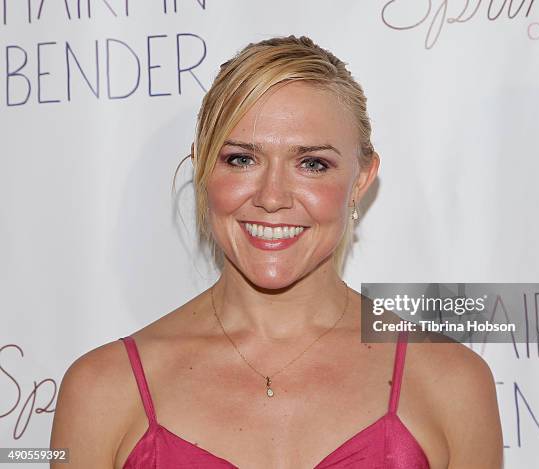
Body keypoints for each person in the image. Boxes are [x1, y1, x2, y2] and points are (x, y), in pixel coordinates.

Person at [50, 35, 503, 468]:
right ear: (203, 168)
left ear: (361, 180)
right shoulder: (102, 391)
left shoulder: (452, 384)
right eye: (242, 159)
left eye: (312, 164)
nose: (272, 196)